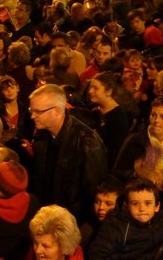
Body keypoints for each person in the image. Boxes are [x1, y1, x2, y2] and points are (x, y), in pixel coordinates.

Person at [30, 84, 108, 223]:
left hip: (70, 221)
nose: (32, 116)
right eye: (31, 110)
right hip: (45, 216)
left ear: (57, 110)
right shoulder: (41, 135)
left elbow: (92, 192)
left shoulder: (86, 141)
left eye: (38, 111)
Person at [89, 178, 163, 260]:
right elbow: (97, 254)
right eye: (135, 203)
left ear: (157, 206)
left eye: (147, 203)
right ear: (127, 206)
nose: (141, 209)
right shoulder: (115, 225)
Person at [113, 98, 163, 187]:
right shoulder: (134, 140)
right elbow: (117, 172)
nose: (156, 121)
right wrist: (137, 174)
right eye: (153, 115)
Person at [88, 71, 129, 169]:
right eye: (91, 87)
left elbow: (115, 153)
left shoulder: (119, 117)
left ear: (108, 91)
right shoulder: (94, 108)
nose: (90, 91)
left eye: (96, 88)